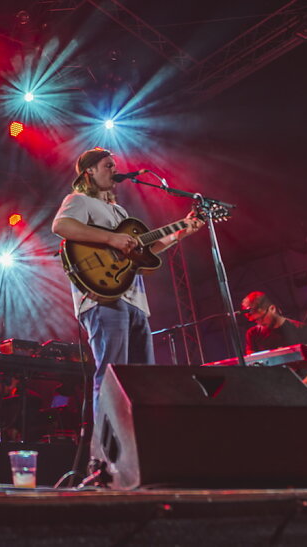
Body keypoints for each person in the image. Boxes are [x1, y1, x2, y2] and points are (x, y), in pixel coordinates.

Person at [52, 147, 203, 479]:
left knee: (140, 382)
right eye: (108, 165)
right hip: (104, 298)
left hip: (135, 303)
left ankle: (137, 455)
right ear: (89, 171)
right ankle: (102, 460)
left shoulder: (119, 210)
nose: (114, 169)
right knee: (109, 378)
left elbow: (144, 253)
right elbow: (61, 226)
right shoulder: (80, 200)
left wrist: (180, 232)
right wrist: (111, 239)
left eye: (115, 165)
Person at [241, 291, 307, 387]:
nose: (259, 323)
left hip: (303, 386)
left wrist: (303, 388)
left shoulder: (300, 329)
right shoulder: (253, 334)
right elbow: (253, 368)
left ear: (272, 308)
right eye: (255, 320)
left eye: (261, 318)